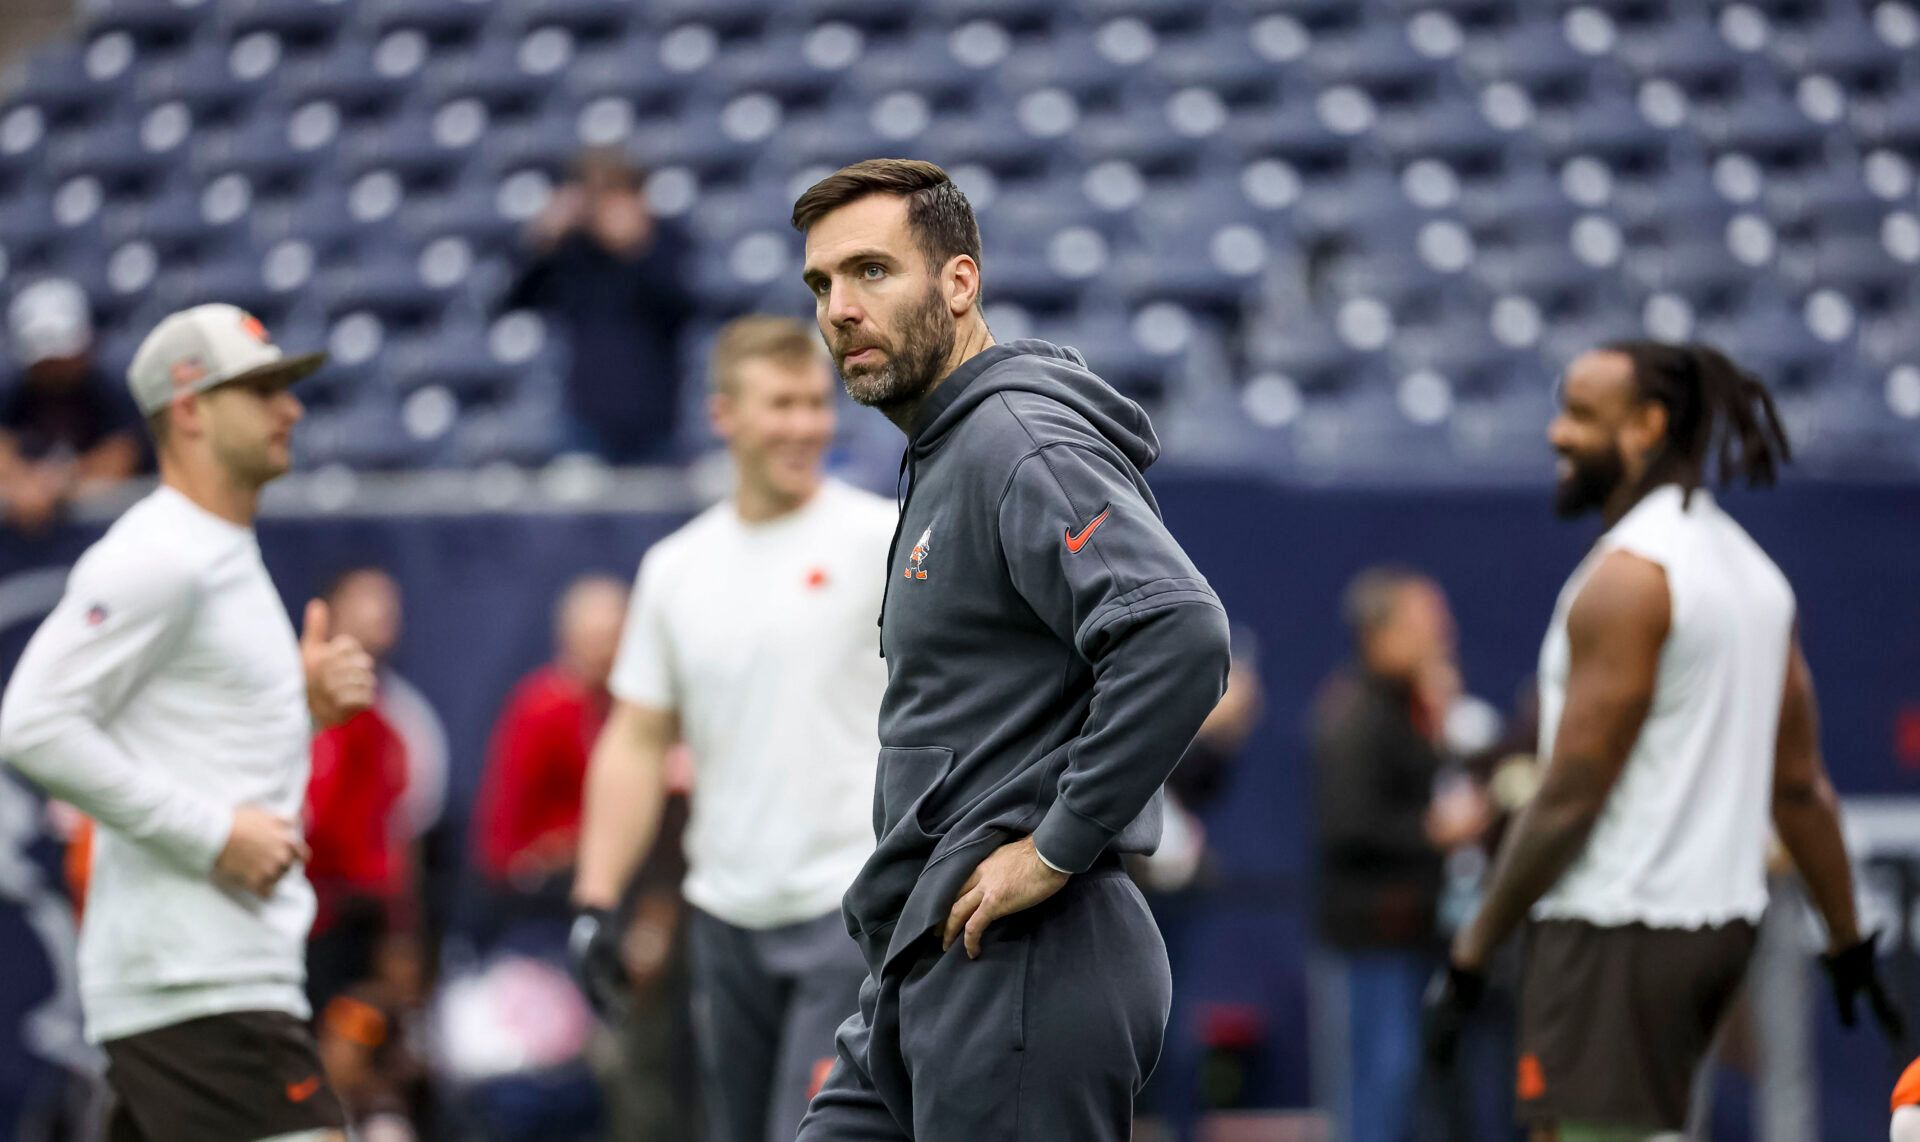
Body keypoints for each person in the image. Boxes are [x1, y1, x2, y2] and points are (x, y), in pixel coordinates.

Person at [787, 158, 1233, 1141]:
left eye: (871, 271)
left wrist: (1056, 844)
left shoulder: (1015, 437)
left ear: (959, 282)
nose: (840, 308)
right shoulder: (947, 446)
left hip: (1025, 955)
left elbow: (1179, 631)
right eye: (821, 283)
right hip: (929, 954)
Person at [1428, 342, 1904, 1140]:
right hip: (1719, 929)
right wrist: (1847, 939)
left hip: (1614, 928)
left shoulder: (1628, 578)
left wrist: (1473, 950)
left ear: (1647, 427)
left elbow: (1573, 793)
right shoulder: (1755, 575)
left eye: (1581, 414)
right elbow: (1798, 787)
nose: (1555, 433)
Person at [0, 302, 374, 1141]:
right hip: (200, 983)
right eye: (261, 390)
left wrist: (302, 711)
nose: (291, 409)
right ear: (190, 409)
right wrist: (213, 836)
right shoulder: (162, 554)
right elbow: (31, 724)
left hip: (208, 975)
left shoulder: (216, 551)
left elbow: (208, 748)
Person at [570, 314, 894, 1142]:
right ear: (724, 416)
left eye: (816, 403)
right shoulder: (676, 569)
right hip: (725, 918)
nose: (805, 425)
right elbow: (637, 741)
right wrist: (596, 899)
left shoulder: (883, 539)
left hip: (851, 908)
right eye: (781, 404)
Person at [1313, 567, 1488, 1142]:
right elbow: (1347, 826)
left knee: (1410, 1084)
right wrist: (1432, 832)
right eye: (1425, 625)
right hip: (1371, 938)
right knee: (1380, 1083)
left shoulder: (1412, 711)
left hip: (1412, 932)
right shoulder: (1357, 716)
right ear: (1380, 634)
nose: (1442, 635)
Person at [505, 147, 694, 464]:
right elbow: (517, 301)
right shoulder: (575, 250)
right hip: (587, 418)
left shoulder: (665, 239)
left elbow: (681, 308)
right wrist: (542, 241)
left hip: (656, 415)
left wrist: (636, 249)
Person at [0, 279, 143, 533]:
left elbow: (122, 454)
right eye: (45, 362)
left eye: (63, 359)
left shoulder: (113, 386)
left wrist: (59, 482)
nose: (55, 371)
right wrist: (22, 483)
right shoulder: (11, 389)